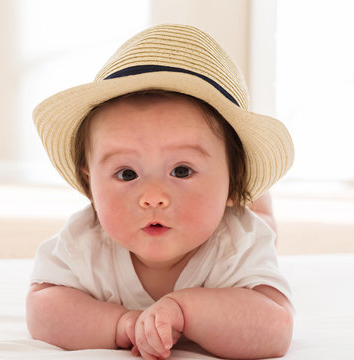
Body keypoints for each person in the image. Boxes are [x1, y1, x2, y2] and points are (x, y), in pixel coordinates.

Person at [27, 24, 294, 360]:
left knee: (263, 224)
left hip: (235, 217)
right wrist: (122, 324)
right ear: (90, 184)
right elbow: (42, 307)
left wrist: (185, 311)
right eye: (126, 173)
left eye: (181, 170)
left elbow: (275, 328)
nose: (153, 196)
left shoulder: (238, 244)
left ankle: (254, 197)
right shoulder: (85, 242)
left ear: (233, 178)